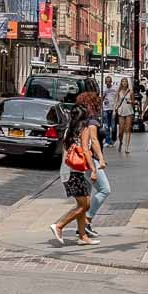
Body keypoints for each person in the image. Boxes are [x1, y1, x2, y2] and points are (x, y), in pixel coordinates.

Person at [49, 103, 97, 247]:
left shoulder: (68, 130)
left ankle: (82, 236)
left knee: (83, 203)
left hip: (67, 170)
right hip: (74, 172)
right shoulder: (84, 129)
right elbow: (85, 150)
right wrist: (93, 169)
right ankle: (59, 225)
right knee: (85, 205)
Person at [76, 90, 110, 238]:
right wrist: (101, 158)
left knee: (87, 195)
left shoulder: (81, 119)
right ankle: (87, 220)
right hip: (91, 160)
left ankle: (82, 229)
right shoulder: (91, 120)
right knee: (104, 190)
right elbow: (94, 140)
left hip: (82, 161)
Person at [115, 76, 134, 153]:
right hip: (121, 111)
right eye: (123, 81)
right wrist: (114, 110)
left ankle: (126, 147)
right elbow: (116, 101)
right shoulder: (118, 91)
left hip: (129, 111)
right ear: (121, 83)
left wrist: (131, 102)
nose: (124, 83)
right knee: (121, 131)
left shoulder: (130, 91)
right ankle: (120, 142)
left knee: (128, 129)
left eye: (125, 82)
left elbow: (134, 101)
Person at [101, 75, 117, 145]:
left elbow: (117, 98)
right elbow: (102, 98)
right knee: (107, 126)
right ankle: (108, 140)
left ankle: (114, 138)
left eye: (109, 81)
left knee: (113, 126)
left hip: (113, 109)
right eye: (106, 81)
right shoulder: (104, 89)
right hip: (106, 108)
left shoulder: (115, 88)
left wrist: (116, 108)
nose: (108, 83)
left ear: (111, 82)